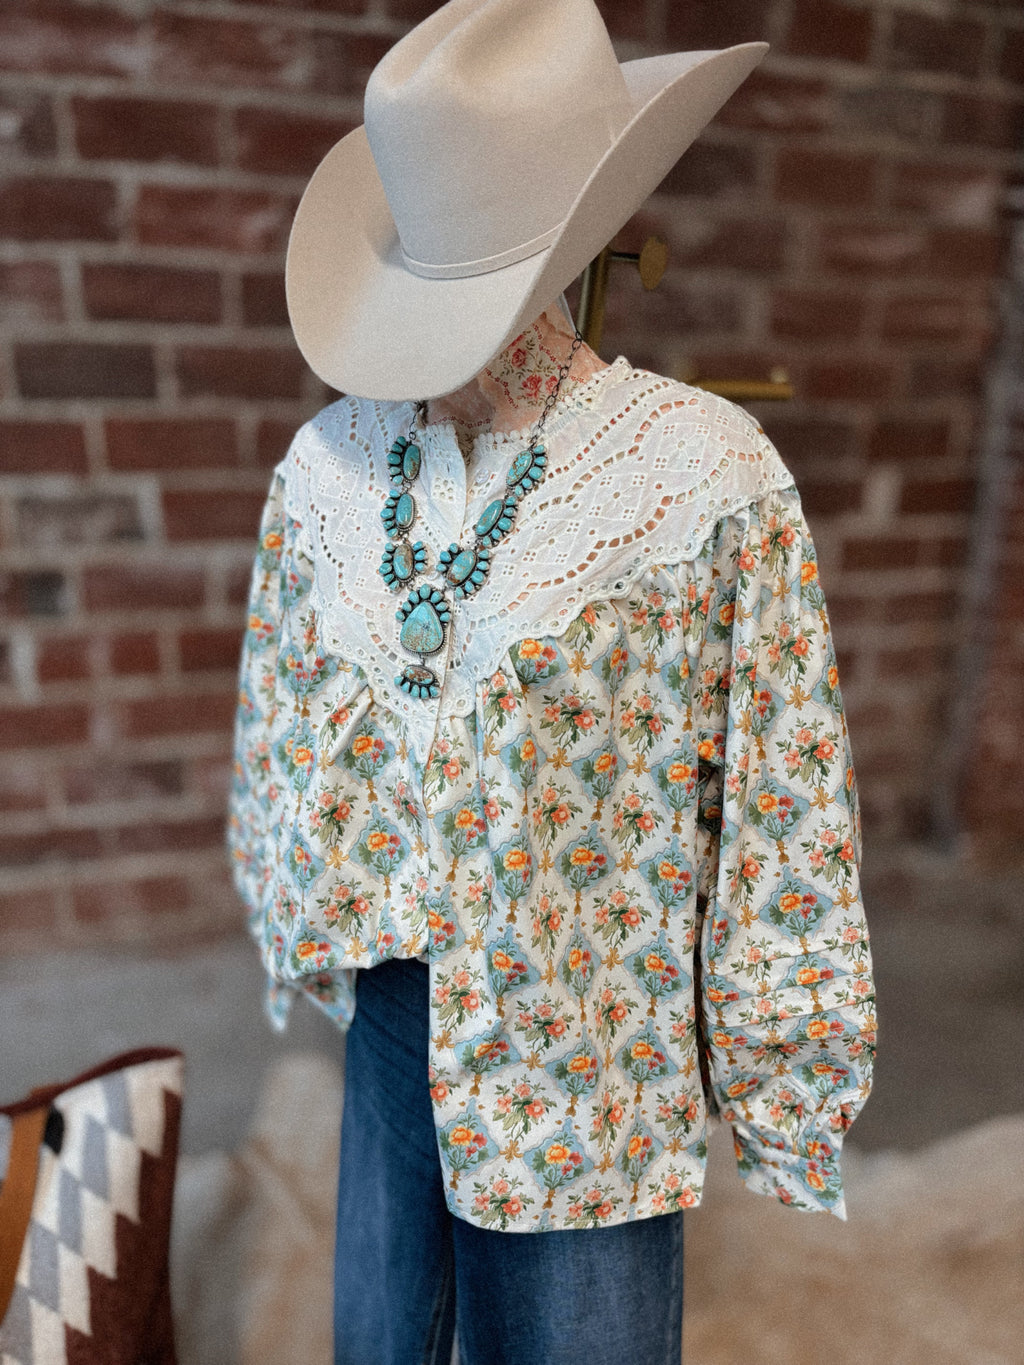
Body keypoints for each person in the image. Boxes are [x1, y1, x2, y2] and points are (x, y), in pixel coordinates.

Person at [227, 2, 878, 1362]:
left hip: (598, 1062)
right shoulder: (328, 477)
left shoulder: (702, 480)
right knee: (383, 1335)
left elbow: (781, 807)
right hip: (398, 1030)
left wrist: (781, 1062)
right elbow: (280, 748)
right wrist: (301, 898)